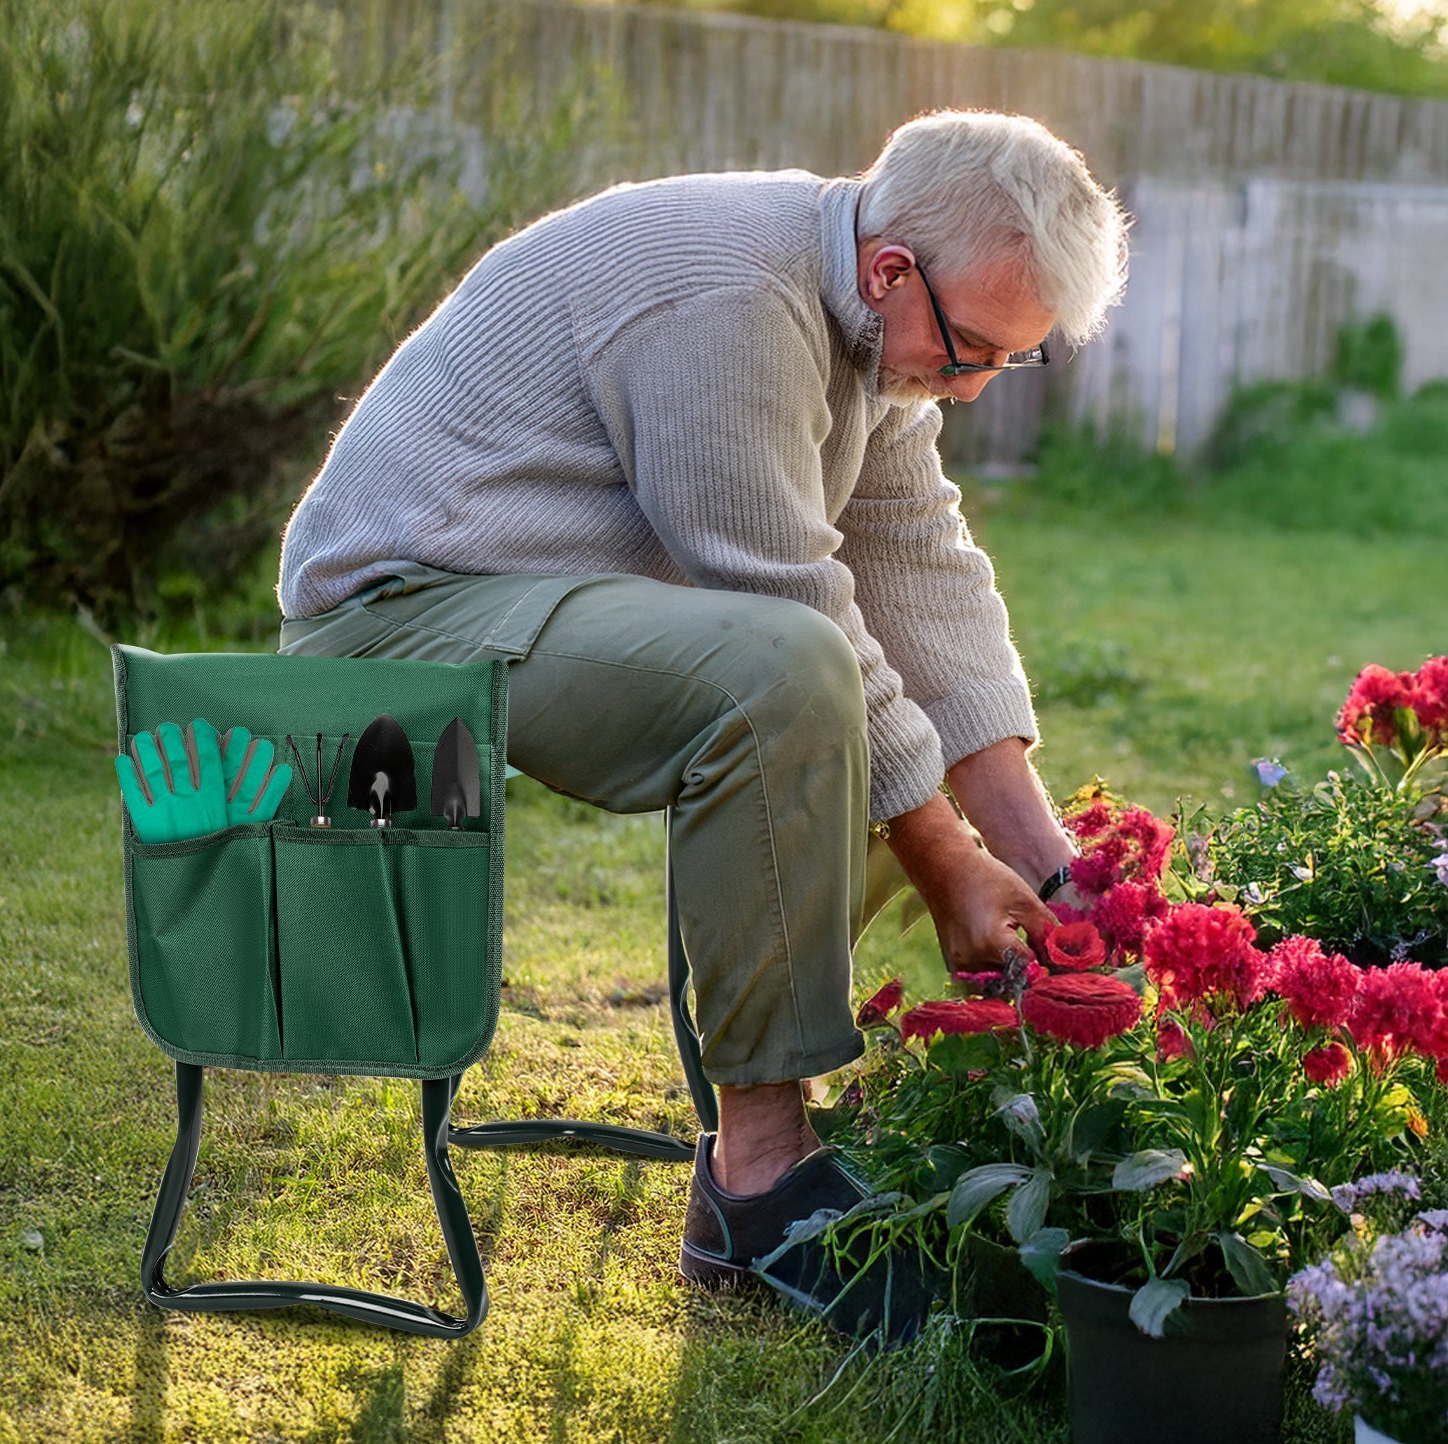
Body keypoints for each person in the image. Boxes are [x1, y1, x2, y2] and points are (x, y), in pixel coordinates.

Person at [276, 108, 1129, 1337]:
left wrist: (1057, 876)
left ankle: (767, 1089)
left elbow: (922, 572)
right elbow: (775, 589)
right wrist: (946, 858)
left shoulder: (874, 326)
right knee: (786, 667)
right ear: (893, 271)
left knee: (862, 711)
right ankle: (761, 1178)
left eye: (1013, 360)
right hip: (395, 618)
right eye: (971, 350)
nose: (978, 383)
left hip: (536, 600)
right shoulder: (725, 292)